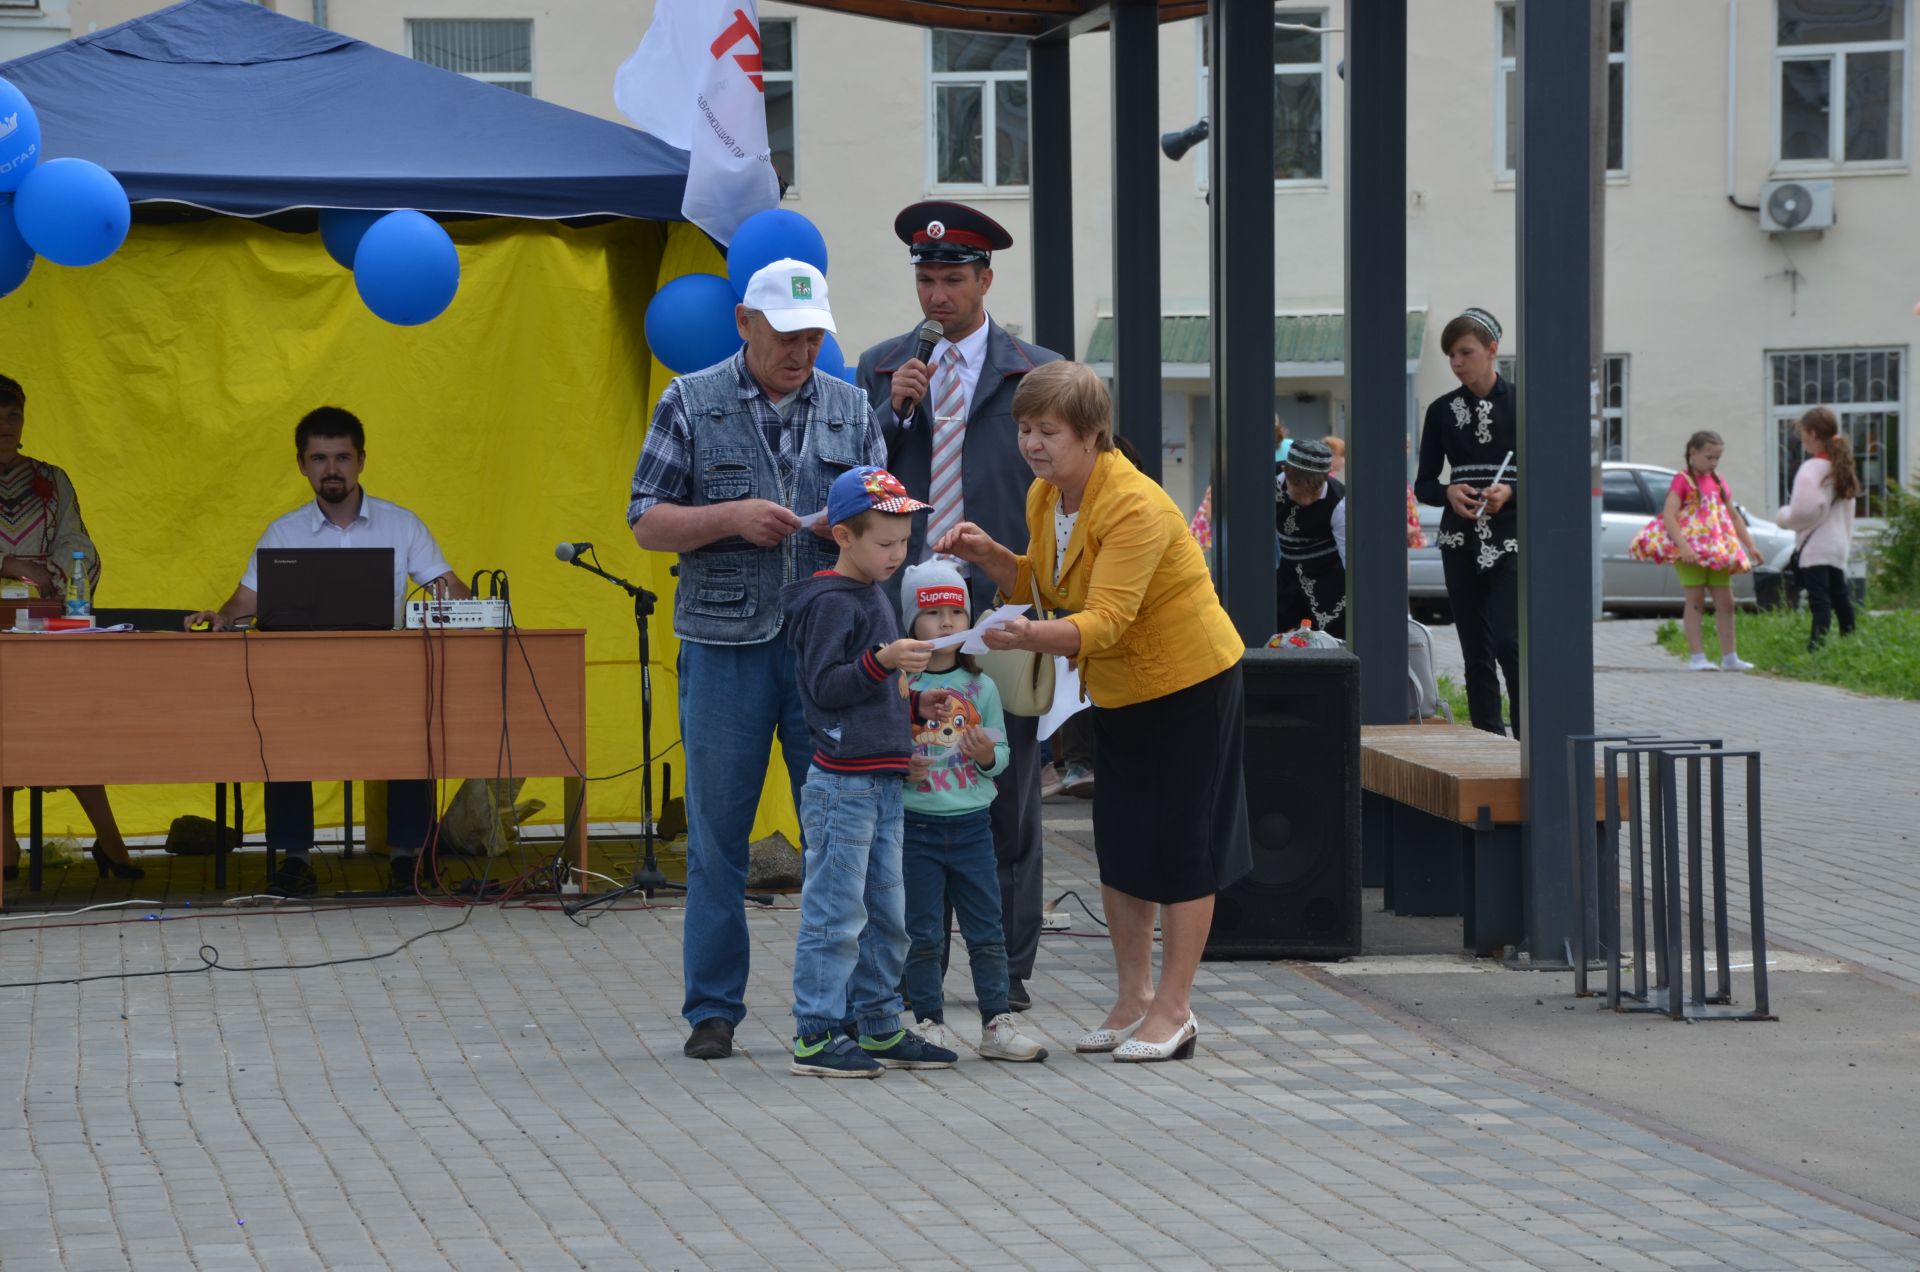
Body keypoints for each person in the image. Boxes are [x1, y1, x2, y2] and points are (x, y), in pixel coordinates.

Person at [935, 361, 1251, 1064]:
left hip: (1189, 683)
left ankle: (1175, 1009)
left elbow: (1103, 619)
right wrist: (993, 558)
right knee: (1122, 841)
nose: (1032, 444)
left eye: (1048, 430)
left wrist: (1016, 635)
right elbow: (1050, 588)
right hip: (1121, 689)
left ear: (1093, 434)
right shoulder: (1048, 497)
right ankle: (1132, 997)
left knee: (1183, 846)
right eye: (1023, 429)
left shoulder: (1135, 506)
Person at [630, 258, 887, 1061]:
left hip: (830, 653)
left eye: (813, 337)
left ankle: (843, 1004)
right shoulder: (690, 400)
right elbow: (645, 520)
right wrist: (730, 517)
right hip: (723, 649)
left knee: (844, 834)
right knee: (717, 837)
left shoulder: (851, 407)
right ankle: (713, 1009)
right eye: (786, 336)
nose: (801, 351)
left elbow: (885, 519)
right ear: (744, 323)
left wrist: (849, 533)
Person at [856, 201, 1062, 1013]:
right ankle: (911, 979)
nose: (936, 297)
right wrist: (892, 413)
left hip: (997, 609)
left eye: (951, 280)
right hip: (900, 615)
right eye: (925, 279)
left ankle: (1005, 974)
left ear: (985, 280)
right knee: (907, 788)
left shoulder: (1033, 372)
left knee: (1002, 786)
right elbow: (845, 481)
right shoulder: (881, 367)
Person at [183, 406, 470, 897]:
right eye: (319, 458)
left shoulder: (402, 525)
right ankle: (294, 860)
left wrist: (457, 597)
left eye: (341, 457)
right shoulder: (283, 532)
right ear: (302, 464)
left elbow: (453, 590)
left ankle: (407, 859)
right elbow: (245, 602)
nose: (331, 469)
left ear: (361, 461)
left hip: (386, 679)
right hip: (302, 683)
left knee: (416, 724)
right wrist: (221, 617)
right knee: (275, 727)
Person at [780, 466, 960, 1078]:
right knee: (835, 911)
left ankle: (879, 1023)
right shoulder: (829, 601)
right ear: (842, 537)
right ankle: (816, 1031)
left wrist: (912, 704)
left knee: (888, 913)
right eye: (883, 542)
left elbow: (867, 694)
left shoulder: (873, 594)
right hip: (843, 786)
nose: (896, 554)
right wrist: (882, 662)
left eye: (904, 541)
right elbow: (825, 688)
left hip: (883, 781)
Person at [896, 558, 1048, 1062]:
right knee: (922, 933)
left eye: (957, 613)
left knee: (986, 929)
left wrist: (985, 756)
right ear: (909, 622)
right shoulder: (900, 687)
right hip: (915, 828)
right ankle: (928, 1022)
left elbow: (1002, 755)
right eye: (932, 613)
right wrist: (903, 768)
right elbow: (881, 751)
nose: (946, 624)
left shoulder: (982, 686)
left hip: (971, 829)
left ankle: (995, 1022)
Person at [0, 374, 142, 882]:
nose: (5, 423)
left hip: (47, 624)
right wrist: (12, 562)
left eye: (13, 412)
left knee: (72, 733)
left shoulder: (51, 478)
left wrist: (52, 573)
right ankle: (6, 848)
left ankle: (109, 841)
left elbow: (76, 540)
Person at [1415, 308, 1519, 736]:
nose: (1456, 363)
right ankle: (1488, 741)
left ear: (1492, 350)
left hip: (1511, 536)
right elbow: (1423, 484)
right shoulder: (1440, 412)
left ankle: (1529, 742)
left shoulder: (1524, 404)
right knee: (1474, 649)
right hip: (1459, 540)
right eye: (1451, 356)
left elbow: (1551, 473)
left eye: (1465, 352)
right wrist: (1448, 493)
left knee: (1509, 641)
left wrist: (1511, 492)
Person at [1660, 430, 1761, 672]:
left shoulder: (1718, 481)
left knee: (1726, 603)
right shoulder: (1682, 481)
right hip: (1690, 553)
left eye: (1717, 458)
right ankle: (1697, 657)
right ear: (1693, 453)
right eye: (1709, 457)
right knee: (1695, 601)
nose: (1713, 463)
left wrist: (1750, 545)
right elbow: (1669, 515)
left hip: (1717, 552)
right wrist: (1683, 547)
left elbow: (1733, 516)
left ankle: (1730, 657)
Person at [1777, 406, 1859, 652]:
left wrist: (1783, 516)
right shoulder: (1842, 467)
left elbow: (1805, 511)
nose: (1801, 438)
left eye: (1802, 432)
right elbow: (1846, 512)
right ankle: (1849, 642)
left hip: (1816, 546)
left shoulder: (1811, 469)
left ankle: (1817, 649)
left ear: (1812, 434)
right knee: (1840, 598)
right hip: (1837, 545)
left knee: (1819, 601)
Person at [1275, 440, 1348, 638]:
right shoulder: (1270, 482)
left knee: (1328, 639)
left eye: (1313, 494)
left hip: (1328, 581)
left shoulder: (1339, 502)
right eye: (1298, 493)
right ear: (1286, 473)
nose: (1306, 501)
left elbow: (1348, 557)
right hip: (1288, 574)